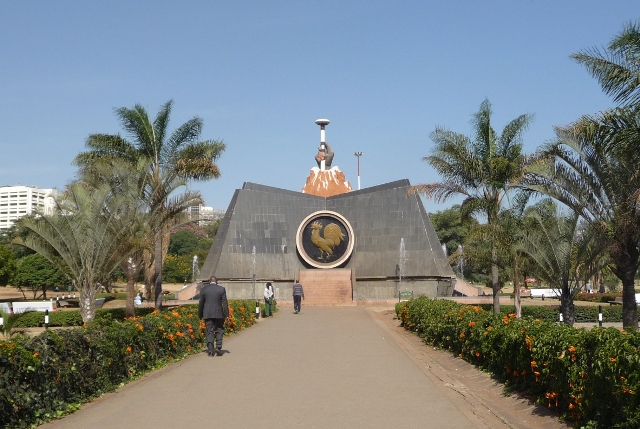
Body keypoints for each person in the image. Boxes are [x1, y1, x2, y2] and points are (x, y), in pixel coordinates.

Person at [198, 276, 229, 357]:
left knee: (209, 331)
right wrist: (226, 315)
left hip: (207, 314)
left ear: (209, 281)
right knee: (219, 329)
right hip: (219, 313)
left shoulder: (204, 290)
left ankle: (210, 351)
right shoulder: (221, 289)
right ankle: (218, 347)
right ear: (217, 281)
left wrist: (200, 315)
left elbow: (201, 304)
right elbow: (225, 303)